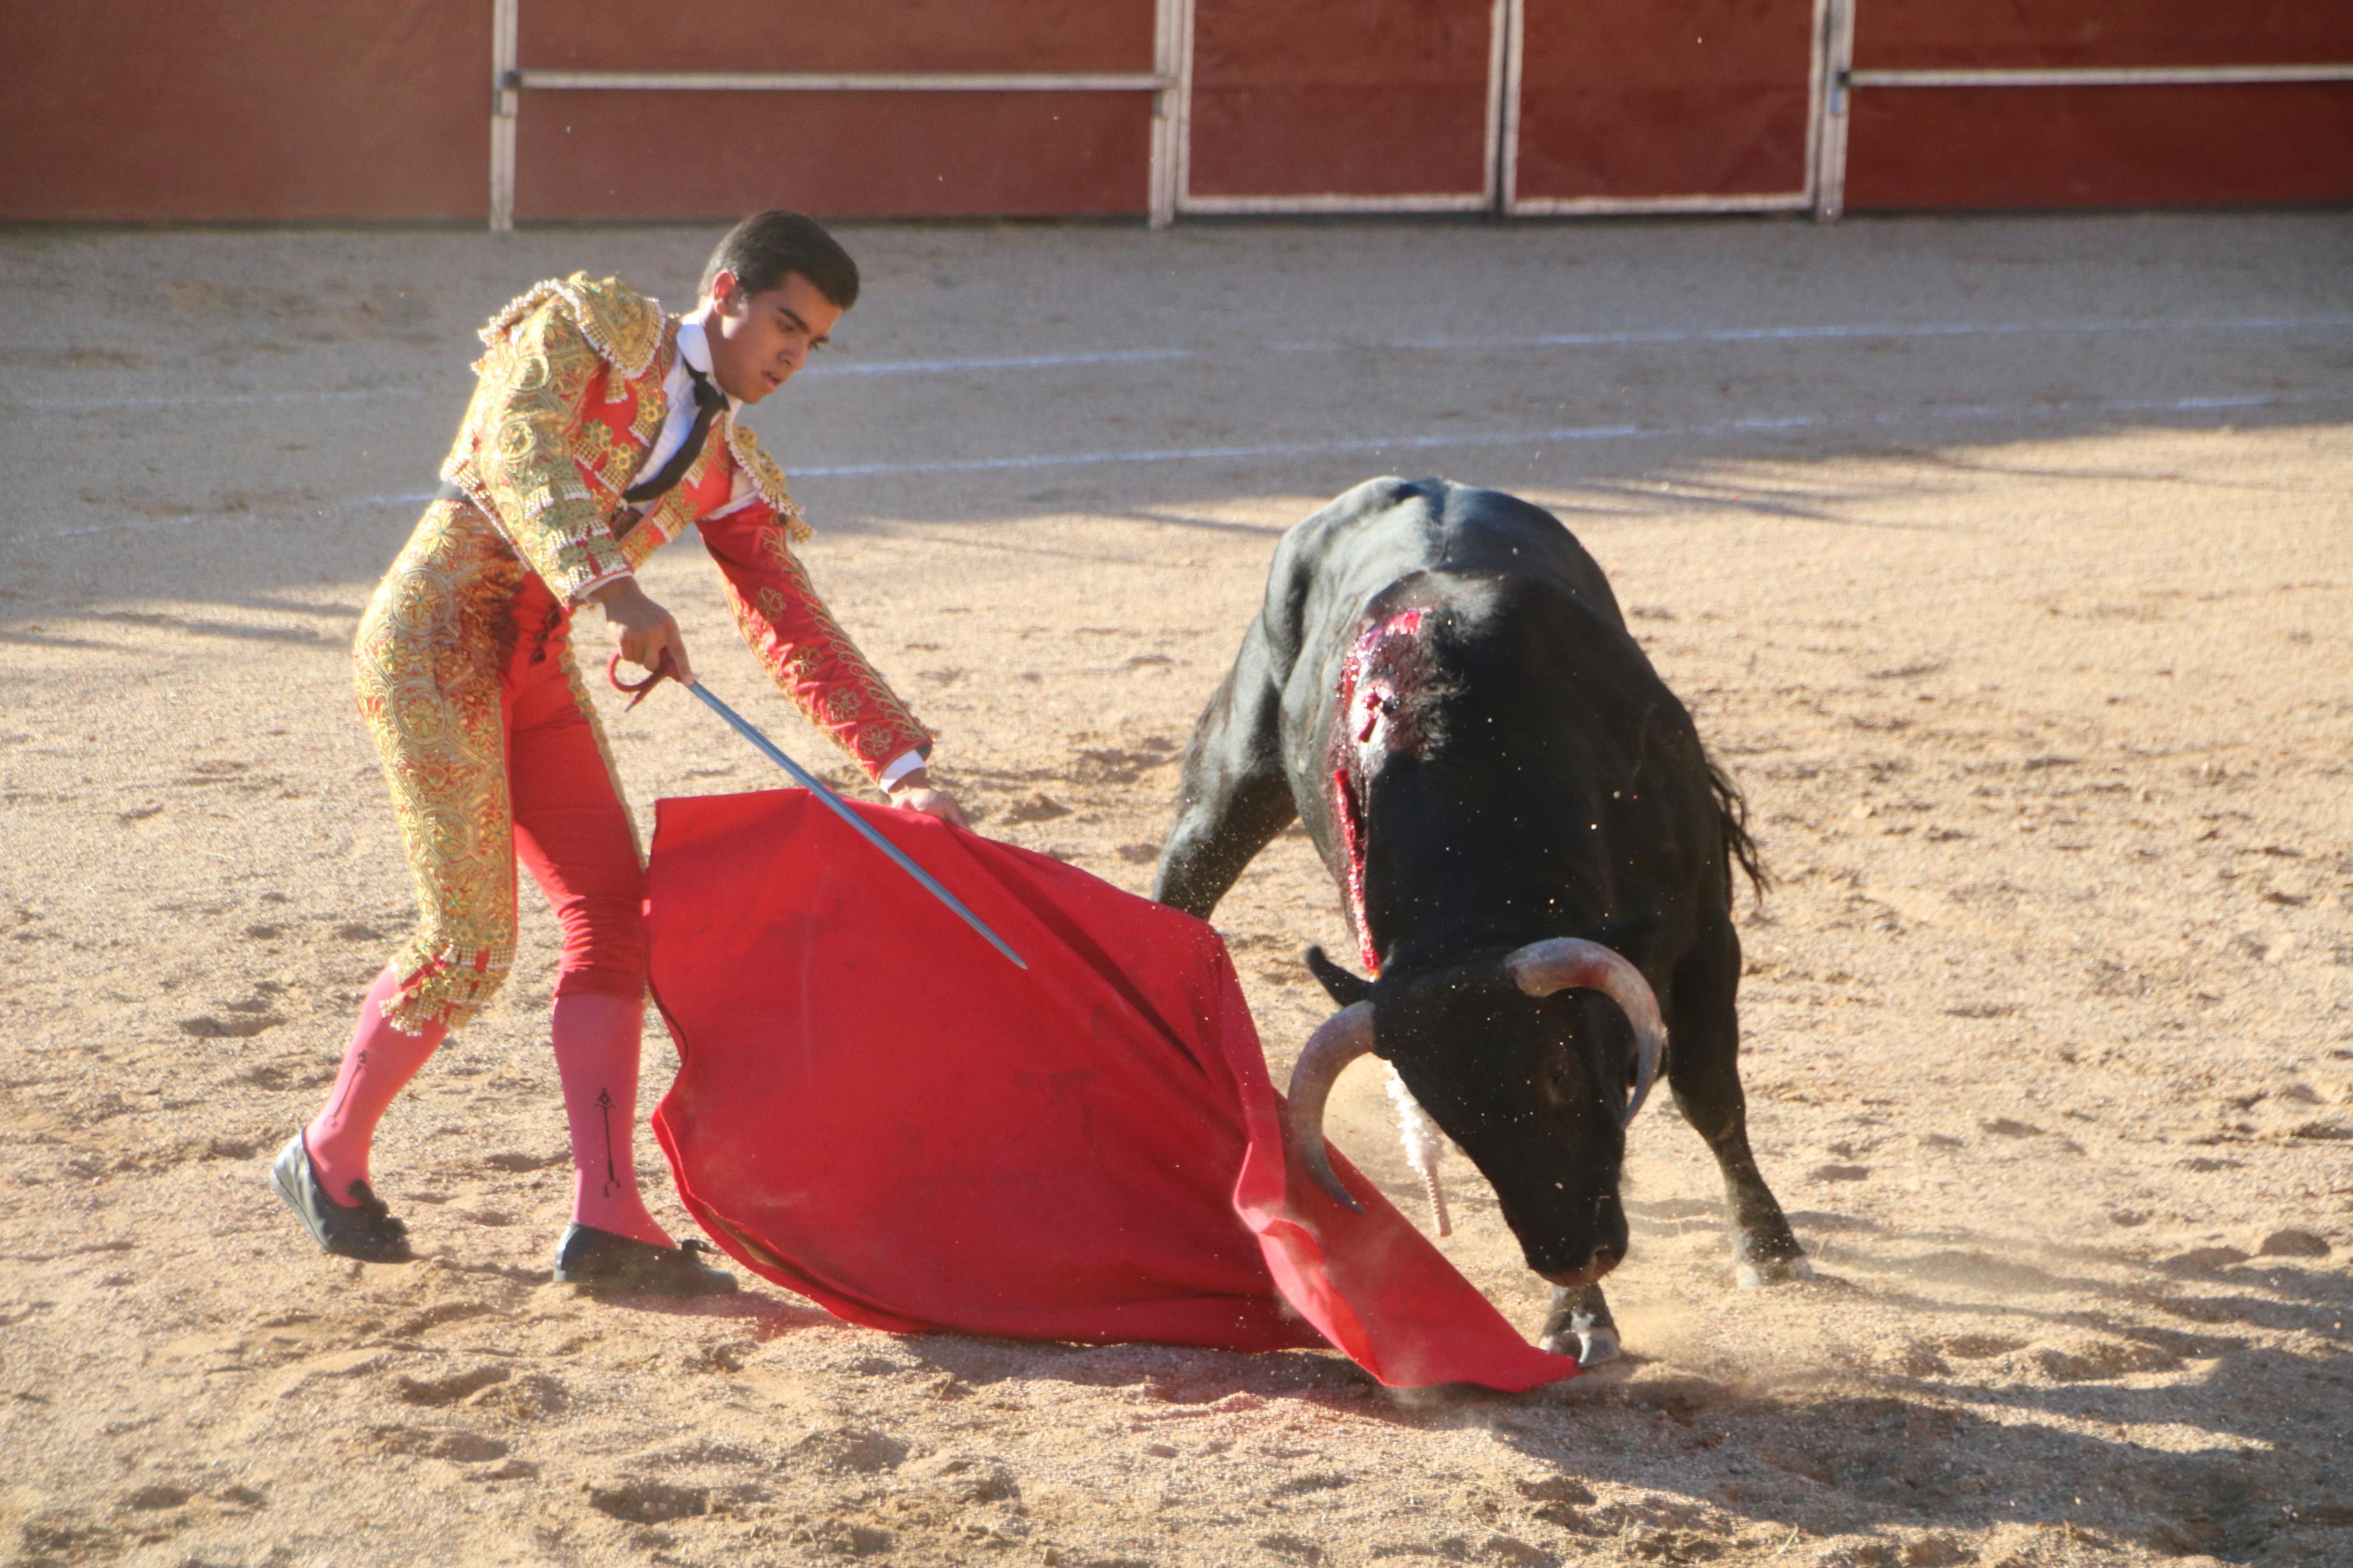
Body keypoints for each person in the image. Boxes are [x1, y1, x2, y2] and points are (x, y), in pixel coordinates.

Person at [270, 210, 966, 1294]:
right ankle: (326, 1153)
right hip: (433, 643)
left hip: (532, 672)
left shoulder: (727, 463)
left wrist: (903, 773)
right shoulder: (590, 328)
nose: (792, 355)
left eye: (813, 343)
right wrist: (616, 586)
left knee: (617, 923)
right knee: (469, 943)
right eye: (785, 323)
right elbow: (521, 452)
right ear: (727, 291)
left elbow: (792, 620)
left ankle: (607, 1218)